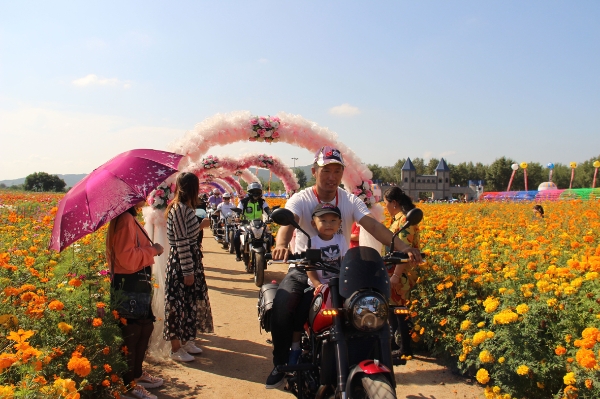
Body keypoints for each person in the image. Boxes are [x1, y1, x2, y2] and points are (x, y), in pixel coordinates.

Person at [266, 146, 422, 389]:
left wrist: (402, 246)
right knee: (284, 303)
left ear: (342, 174)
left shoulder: (349, 200)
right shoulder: (302, 199)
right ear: (315, 171)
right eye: (326, 170)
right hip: (305, 268)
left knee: (367, 304)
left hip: (340, 270)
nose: (331, 176)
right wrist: (281, 244)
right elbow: (289, 221)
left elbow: (372, 225)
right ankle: (281, 361)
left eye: (337, 171)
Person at [106, 200, 164, 399]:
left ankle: (136, 375)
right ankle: (127, 384)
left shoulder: (129, 218)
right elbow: (126, 257)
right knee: (132, 333)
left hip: (136, 281)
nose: (144, 198)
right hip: (129, 282)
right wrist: (153, 250)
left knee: (144, 327)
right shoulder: (124, 220)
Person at [287, 203, 348, 366]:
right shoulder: (312, 241)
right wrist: (316, 284)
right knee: (300, 311)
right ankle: (295, 348)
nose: (329, 224)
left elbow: (345, 262)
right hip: (317, 287)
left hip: (338, 286)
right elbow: (310, 266)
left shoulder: (341, 240)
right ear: (314, 223)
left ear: (340, 223)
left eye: (333, 220)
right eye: (324, 220)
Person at [164, 172, 213, 362]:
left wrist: (200, 226)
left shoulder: (184, 208)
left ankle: (186, 341)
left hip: (190, 259)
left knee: (188, 302)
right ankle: (176, 348)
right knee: (177, 304)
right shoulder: (178, 209)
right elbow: (182, 241)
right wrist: (188, 271)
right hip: (182, 261)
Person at [383, 186, 420, 361]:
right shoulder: (397, 220)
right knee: (393, 309)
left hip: (402, 272)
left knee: (400, 310)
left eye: (386, 204)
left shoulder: (404, 221)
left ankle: (405, 348)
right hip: (394, 271)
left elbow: (404, 253)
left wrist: (396, 276)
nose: (386, 208)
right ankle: (395, 344)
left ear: (395, 203)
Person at [233, 182, 271, 262]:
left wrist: (271, 216)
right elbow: (239, 210)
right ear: (249, 192)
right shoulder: (243, 202)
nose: (256, 194)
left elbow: (267, 210)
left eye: (258, 192)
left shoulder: (262, 202)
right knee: (236, 237)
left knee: (270, 237)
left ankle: (268, 253)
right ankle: (238, 255)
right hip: (246, 223)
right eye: (253, 192)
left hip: (259, 224)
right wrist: (237, 217)